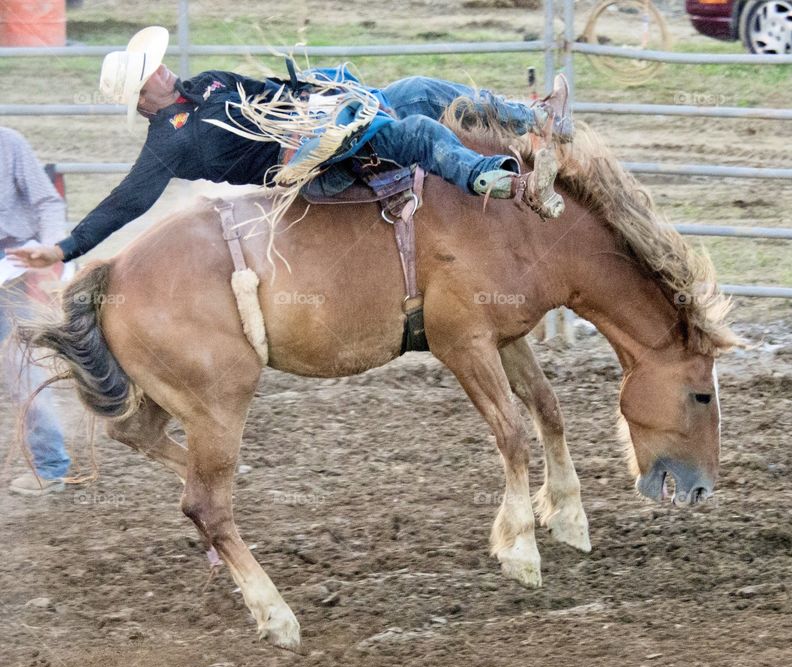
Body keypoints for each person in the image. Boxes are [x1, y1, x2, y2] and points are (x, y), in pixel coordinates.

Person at [6, 26, 574, 269]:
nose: (162, 67)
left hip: (326, 118)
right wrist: (63, 249)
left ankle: (536, 117)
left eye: (154, 62)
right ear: (141, 97)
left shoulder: (206, 82)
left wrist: (322, 91)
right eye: (149, 71)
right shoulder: (165, 146)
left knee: (420, 90)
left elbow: (272, 93)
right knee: (420, 135)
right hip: (306, 163)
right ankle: (508, 183)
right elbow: (124, 203)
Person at [0, 126, 71, 495]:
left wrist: (49, 253)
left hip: (13, 262)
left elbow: (48, 202)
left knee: (20, 365)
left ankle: (49, 465)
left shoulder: (8, 143)